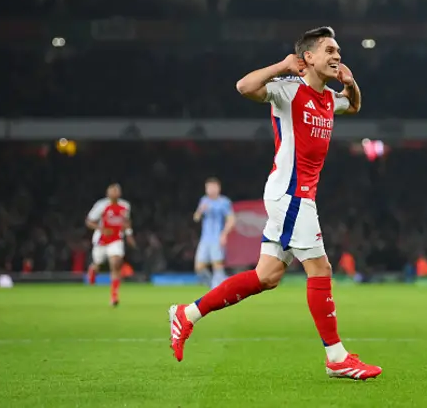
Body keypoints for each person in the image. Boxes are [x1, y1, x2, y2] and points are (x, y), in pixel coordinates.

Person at [168, 26, 381, 380]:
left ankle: (186, 314)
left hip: (297, 196)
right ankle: (336, 357)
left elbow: (354, 105)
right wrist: (282, 65)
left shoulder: (328, 98)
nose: (336, 56)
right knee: (320, 268)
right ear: (308, 57)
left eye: (339, 51)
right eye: (329, 50)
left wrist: (352, 82)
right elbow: (243, 87)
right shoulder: (288, 91)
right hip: (291, 194)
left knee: (266, 276)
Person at [86, 183, 136, 306]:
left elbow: (126, 222)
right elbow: (89, 221)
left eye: (117, 190)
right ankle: (93, 270)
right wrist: (101, 229)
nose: (115, 193)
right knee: (98, 265)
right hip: (101, 240)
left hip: (116, 240)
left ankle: (114, 296)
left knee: (116, 264)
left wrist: (129, 234)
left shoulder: (125, 206)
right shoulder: (101, 205)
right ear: (108, 193)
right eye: (112, 191)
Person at [193, 177, 236, 288]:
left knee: (217, 265)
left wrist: (224, 234)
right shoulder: (204, 200)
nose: (211, 190)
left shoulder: (224, 202)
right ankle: (217, 285)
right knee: (199, 267)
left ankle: (219, 288)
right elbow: (196, 218)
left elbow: (231, 220)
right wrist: (200, 210)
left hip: (217, 237)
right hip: (205, 239)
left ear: (218, 188)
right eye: (208, 187)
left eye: (213, 187)